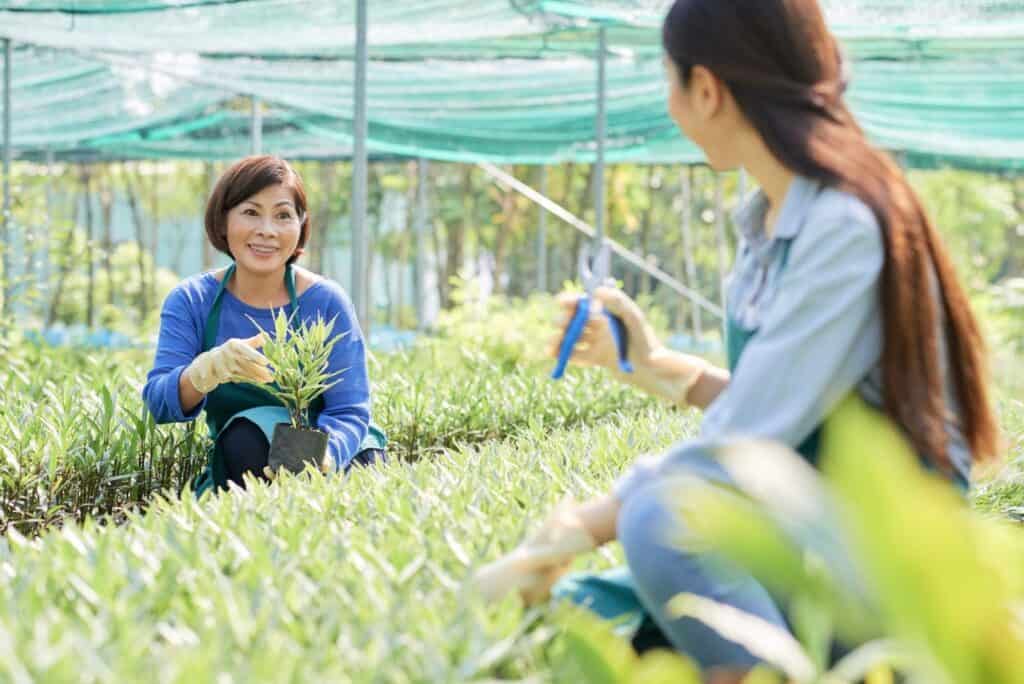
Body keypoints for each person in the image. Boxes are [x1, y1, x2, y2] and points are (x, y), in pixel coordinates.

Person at [478, 0, 999, 676]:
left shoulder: (842, 225)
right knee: (583, 613)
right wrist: (653, 364)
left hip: (894, 559)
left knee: (659, 521)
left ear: (707, 89)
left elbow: (748, 441)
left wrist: (576, 529)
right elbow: (798, 409)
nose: (670, 107)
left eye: (670, 82)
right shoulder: (767, 222)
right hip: (819, 528)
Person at [142, 155, 386, 496]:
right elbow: (159, 402)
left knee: (362, 479)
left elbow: (349, 408)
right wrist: (203, 372)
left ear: (301, 226)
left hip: (341, 451)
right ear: (223, 220)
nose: (267, 230)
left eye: (283, 215)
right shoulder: (192, 300)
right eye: (251, 212)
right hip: (248, 454)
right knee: (246, 438)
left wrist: (325, 455)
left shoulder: (326, 301)